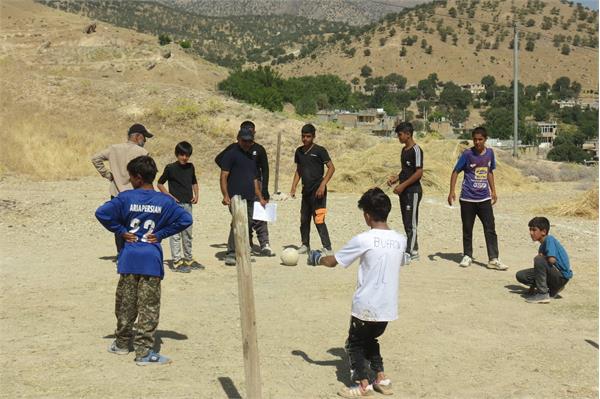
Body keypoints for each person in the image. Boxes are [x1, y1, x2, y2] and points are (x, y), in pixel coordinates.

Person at [307, 187, 407, 398]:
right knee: (371, 340)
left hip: (366, 305)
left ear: (367, 215)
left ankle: (363, 385)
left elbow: (334, 262)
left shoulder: (364, 239)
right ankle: (381, 379)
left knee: (355, 344)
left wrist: (317, 259)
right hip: (387, 307)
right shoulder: (400, 239)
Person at [95, 155, 193, 365]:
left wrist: (121, 230)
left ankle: (122, 344)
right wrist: (161, 233)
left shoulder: (126, 198)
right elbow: (186, 219)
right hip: (151, 259)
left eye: (130, 177)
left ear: (138, 178)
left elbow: (102, 213)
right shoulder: (165, 201)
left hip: (129, 258)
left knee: (126, 304)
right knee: (148, 307)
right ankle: (144, 352)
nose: (129, 180)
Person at [448, 127, 508, 270]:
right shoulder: (467, 154)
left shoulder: (490, 154)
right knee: (467, 228)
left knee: (490, 228)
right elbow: (455, 171)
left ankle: (493, 259)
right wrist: (451, 191)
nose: (477, 142)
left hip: (484, 198)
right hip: (467, 198)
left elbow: (489, 172)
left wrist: (493, 190)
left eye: (480, 139)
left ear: (485, 139)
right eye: (475, 139)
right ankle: (467, 255)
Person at [91, 123, 153, 254]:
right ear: (137, 137)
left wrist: (108, 175)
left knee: (119, 225)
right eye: (144, 137)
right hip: (135, 194)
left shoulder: (114, 148)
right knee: (135, 224)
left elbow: (96, 158)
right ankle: (133, 252)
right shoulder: (142, 152)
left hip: (117, 194)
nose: (145, 141)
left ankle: (120, 253)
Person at [215, 121, 274, 257]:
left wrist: (261, 196)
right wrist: (225, 195)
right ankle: (231, 252)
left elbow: (255, 178)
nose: (247, 143)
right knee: (238, 221)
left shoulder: (252, 156)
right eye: (244, 141)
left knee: (247, 222)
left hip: (250, 195)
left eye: (249, 141)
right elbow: (223, 176)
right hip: (235, 196)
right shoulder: (231, 153)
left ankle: (246, 249)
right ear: (238, 138)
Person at [157, 141, 203, 273]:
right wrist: (169, 197)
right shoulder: (170, 168)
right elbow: (160, 184)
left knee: (188, 232)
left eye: (187, 155)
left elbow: (194, 181)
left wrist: (197, 194)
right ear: (177, 154)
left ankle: (188, 258)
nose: (185, 158)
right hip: (175, 206)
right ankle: (176, 261)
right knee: (175, 234)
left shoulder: (191, 167)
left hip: (188, 204)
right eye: (182, 155)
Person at [290, 123, 335, 255]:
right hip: (306, 191)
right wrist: (293, 187)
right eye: (303, 136)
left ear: (313, 136)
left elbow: (331, 168)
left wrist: (323, 185)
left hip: (318, 191)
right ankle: (305, 244)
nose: (305, 139)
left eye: (308, 136)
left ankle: (327, 247)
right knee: (304, 219)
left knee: (319, 219)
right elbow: (299, 170)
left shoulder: (320, 151)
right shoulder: (299, 151)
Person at [387, 122, 423, 261]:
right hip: (404, 191)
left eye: (400, 134)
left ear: (408, 134)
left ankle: (409, 252)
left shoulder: (416, 150)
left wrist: (403, 186)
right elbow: (405, 171)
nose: (399, 137)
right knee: (406, 221)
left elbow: (419, 172)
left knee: (412, 223)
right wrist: (396, 179)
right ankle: (413, 249)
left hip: (413, 191)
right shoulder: (404, 150)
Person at [516, 217, 573, 304]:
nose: (531, 233)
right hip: (554, 275)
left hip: (561, 277)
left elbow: (552, 260)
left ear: (543, 232)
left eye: (534, 230)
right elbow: (540, 271)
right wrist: (531, 290)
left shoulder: (549, 240)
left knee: (539, 259)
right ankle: (552, 289)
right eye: (530, 230)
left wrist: (543, 257)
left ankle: (542, 294)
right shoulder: (542, 246)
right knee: (521, 275)